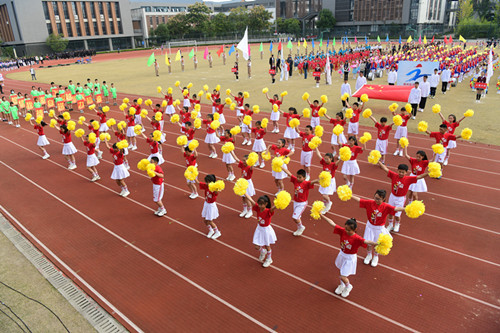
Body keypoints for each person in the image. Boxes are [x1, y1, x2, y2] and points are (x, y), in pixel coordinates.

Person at [319, 214, 378, 298]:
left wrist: (378, 243)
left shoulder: (357, 238)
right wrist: (321, 215)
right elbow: (332, 223)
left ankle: (348, 286)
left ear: (355, 230)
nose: (346, 231)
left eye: (349, 230)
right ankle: (341, 285)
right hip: (342, 254)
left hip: (350, 258)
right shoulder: (343, 231)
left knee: (343, 275)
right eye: (346, 229)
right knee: (341, 271)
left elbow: (368, 241)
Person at [351, 190, 405, 267]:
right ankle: (369, 255)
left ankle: (375, 257)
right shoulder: (370, 203)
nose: (376, 200)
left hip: (379, 228)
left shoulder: (386, 206)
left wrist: (406, 208)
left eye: (379, 199)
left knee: (377, 244)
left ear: (383, 199)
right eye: (375, 198)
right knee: (369, 243)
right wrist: (350, 195)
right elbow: (359, 200)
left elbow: (396, 209)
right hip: (370, 226)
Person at [377, 161, 427, 233]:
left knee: (397, 215)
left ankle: (397, 224)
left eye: (402, 172)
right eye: (400, 171)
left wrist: (428, 174)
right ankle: (390, 225)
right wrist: (379, 162)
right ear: (397, 170)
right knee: (390, 212)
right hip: (392, 196)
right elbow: (385, 169)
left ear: (406, 172)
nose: (401, 173)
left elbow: (419, 177)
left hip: (400, 198)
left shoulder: (408, 179)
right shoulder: (394, 175)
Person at [244, 193, 277, 268]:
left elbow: (274, 207)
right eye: (259, 204)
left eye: (262, 204)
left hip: (266, 230)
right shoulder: (257, 208)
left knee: (267, 245)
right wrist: (244, 192)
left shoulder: (268, 211)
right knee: (256, 246)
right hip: (259, 228)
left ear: (266, 204)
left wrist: (280, 202)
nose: (260, 206)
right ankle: (263, 251)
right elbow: (251, 200)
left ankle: (269, 259)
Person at [282, 168, 319, 236]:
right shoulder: (295, 180)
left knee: (295, 218)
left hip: (302, 203)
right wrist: (281, 166)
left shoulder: (306, 183)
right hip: (295, 202)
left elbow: (313, 182)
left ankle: (301, 227)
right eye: (297, 177)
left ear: (304, 178)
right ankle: (300, 225)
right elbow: (289, 173)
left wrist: (319, 180)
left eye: (300, 177)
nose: (298, 178)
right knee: (297, 217)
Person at [195, 174, 222, 240]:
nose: (207, 183)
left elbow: (217, 192)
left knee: (210, 220)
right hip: (206, 204)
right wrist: (193, 176)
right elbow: (198, 182)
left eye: (208, 182)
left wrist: (216, 187)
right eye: (206, 182)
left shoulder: (214, 189)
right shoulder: (206, 186)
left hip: (211, 206)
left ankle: (217, 232)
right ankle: (211, 230)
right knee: (205, 220)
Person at [231, 153, 257, 219]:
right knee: (243, 197)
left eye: (245, 160)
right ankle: (245, 210)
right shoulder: (242, 165)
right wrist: (231, 151)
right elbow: (236, 159)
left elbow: (252, 166)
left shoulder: (249, 167)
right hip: (242, 182)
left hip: (247, 183)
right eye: (243, 160)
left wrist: (253, 160)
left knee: (247, 197)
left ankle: (250, 211)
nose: (243, 161)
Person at [315, 148, 340, 213]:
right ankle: (325, 207)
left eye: (327, 159)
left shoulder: (333, 165)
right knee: (323, 194)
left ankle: (329, 203)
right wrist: (316, 147)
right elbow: (318, 155)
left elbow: (338, 162)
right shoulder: (324, 162)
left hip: (330, 181)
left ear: (331, 159)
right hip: (323, 180)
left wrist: (342, 157)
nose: (325, 160)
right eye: (325, 158)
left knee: (325, 195)